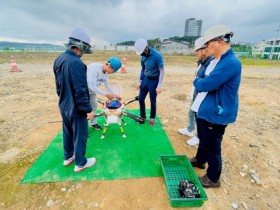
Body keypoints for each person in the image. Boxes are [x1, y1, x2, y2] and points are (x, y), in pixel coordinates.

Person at [190, 25, 242, 188]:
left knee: (213, 145)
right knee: (203, 137)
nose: (206, 48)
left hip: (217, 113)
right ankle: (200, 160)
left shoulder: (231, 63)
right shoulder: (216, 60)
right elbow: (202, 77)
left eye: (208, 44)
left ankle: (213, 178)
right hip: (206, 109)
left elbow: (206, 83)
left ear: (219, 42)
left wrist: (198, 82)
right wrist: (200, 81)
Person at [53, 28, 96, 173]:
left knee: (67, 132)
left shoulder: (59, 59)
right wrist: (88, 110)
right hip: (77, 108)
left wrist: (64, 99)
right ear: (81, 47)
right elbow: (81, 90)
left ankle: (68, 156)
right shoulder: (77, 63)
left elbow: (58, 86)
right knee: (80, 135)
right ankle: (80, 162)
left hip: (64, 105)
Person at [178, 37, 213, 146]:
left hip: (203, 95)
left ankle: (198, 136)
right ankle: (189, 129)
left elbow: (203, 81)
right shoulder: (201, 62)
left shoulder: (210, 63)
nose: (195, 53)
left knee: (200, 116)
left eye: (197, 50)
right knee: (191, 112)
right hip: (196, 92)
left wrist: (197, 82)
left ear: (204, 50)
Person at [134, 38, 165, 126]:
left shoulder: (157, 55)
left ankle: (152, 117)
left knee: (152, 100)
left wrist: (159, 85)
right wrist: (140, 81)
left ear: (146, 48)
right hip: (145, 79)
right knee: (141, 99)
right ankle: (143, 116)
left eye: (142, 52)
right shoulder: (143, 57)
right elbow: (143, 69)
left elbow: (162, 71)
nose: (142, 54)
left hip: (154, 81)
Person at [87, 57, 122, 130]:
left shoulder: (106, 73)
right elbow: (91, 86)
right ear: (109, 66)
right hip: (83, 91)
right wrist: (106, 94)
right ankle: (82, 128)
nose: (112, 73)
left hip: (92, 91)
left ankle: (93, 123)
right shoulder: (94, 69)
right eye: (113, 71)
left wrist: (114, 94)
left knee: (94, 105)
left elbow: (107, 85)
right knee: (84, 109)